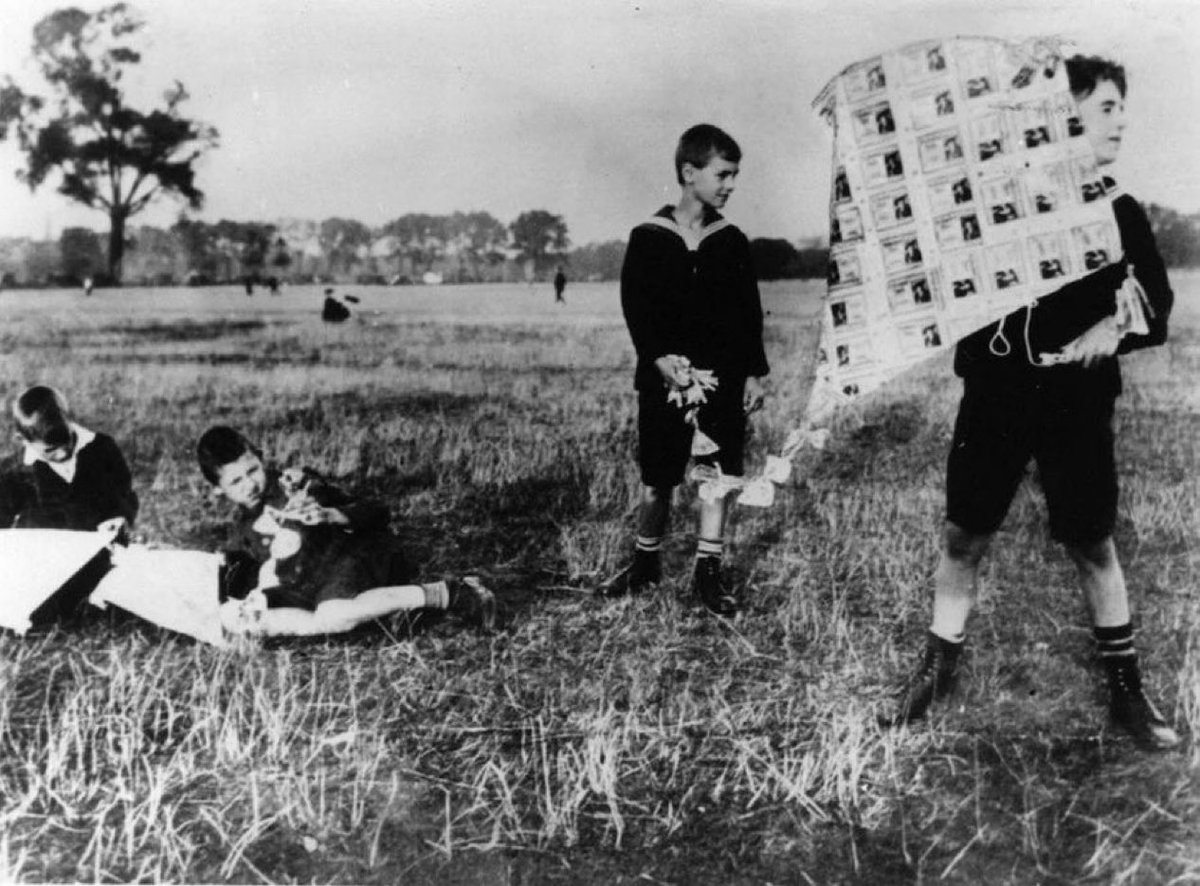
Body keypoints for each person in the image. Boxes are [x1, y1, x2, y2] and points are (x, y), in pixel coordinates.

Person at [882, 56, 1179, 750]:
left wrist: (1114, 328)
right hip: (996, 394)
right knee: (965, 535)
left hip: (1076, 402)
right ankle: (936, 668)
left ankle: (1127, 692)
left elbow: (1156, 303)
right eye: (1106, 107)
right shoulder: (990, 204)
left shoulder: (1117, 207)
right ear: (1061, 116)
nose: (1121, 120)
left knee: (1090, 541)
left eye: (1119, 107)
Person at [601, 123, 769, 616]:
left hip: (722, 377)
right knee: (658, 475)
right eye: (723, 174)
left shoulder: (731, 240)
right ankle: (645, 562)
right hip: (665, 378)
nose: (730, 185)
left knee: (716, 473)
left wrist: (753, 373)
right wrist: (656, 357)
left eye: (735, 175)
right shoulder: (650, 237)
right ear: (688, 172)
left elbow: (747, 311)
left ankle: (707, 572)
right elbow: (637, 305)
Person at [196, 426, 496, 637]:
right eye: (236, 482)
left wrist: (330, 514)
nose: (250, 484)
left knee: (333, 616)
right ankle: (395, 613)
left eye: (253, 471)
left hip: (357, 554)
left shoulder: (296, 484)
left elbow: (376, 511)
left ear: (261, 458)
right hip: (322, 583)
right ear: (218, 490)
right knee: (302, 615)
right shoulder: (244, 530)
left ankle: (451, 593)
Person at [0, 385, 138, 622]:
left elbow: (124, 493)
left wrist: (121, 517)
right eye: (51, 450)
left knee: (127, 588)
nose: (63, 453)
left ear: (70, 420)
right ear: (23, 440)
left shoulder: (101, 449)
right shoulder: (15, 471)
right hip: (48, 567)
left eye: (67, 440)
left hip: (100, 556)